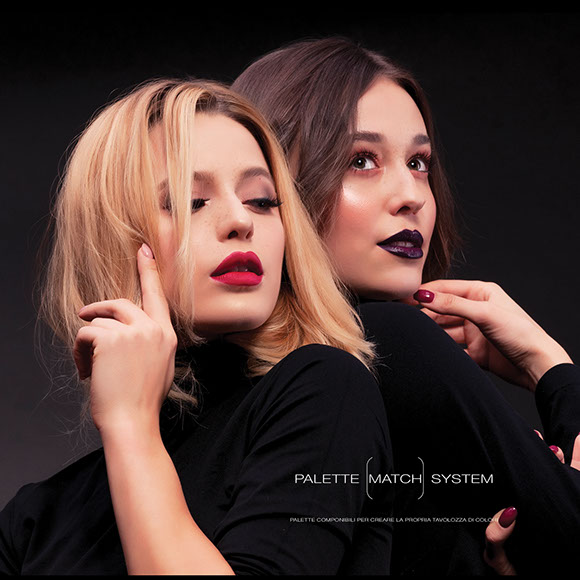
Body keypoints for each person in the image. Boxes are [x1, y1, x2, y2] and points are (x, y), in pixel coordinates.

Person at [0, 78, 395, 575]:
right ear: (113, 239)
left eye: (262, 201)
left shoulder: (325, 390)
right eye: (191, 202)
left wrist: (131, 426)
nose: (240, 221)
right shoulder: (33, 521)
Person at [231, 36, 580, 575]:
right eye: (361, 160)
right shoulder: (387, 341)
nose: (412, 195)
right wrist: (549, 366)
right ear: (274, 185)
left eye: (419, 163)